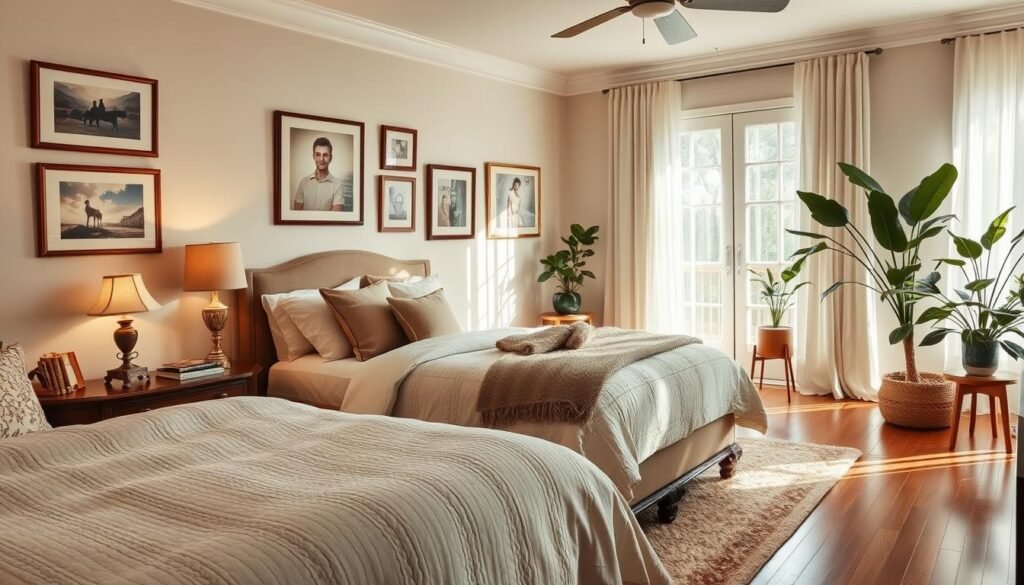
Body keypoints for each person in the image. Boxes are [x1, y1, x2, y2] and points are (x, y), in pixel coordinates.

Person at [293, 137, 344, 211]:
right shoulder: (304, 182)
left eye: (325, 155)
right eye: (318, 155)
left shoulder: (337, 185)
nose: (321, 159)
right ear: (313, 156)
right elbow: (296, 213)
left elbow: (336, 216)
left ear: (331, 158)